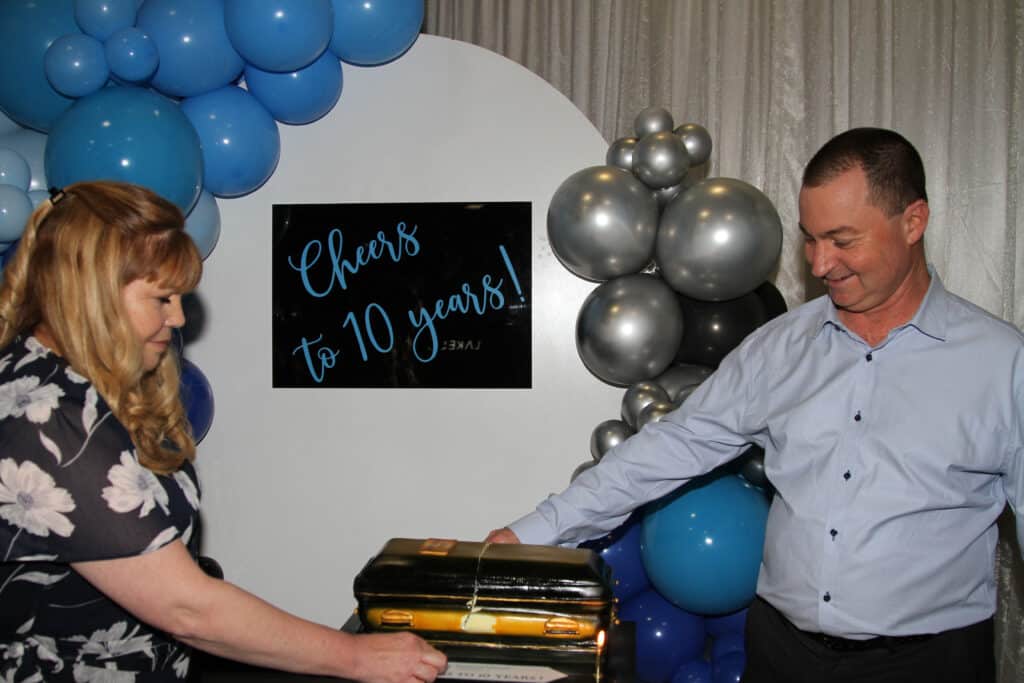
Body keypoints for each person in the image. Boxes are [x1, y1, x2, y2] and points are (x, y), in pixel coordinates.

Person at [487, 128, 1023, 683]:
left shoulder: (1002, 363)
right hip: (782, 654)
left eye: (842, 240)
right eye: (810, 239)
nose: (819, 264)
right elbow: (672, 445)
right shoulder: (780, 347)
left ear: (913, 222)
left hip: (930, 663)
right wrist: (534, 531)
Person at [0, 181, 447, 682]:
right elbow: (187, 610)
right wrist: (355, 656)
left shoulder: (84, 394)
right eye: (162, 298)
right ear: (93, 292)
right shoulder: (44, 418)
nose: (177, 316)